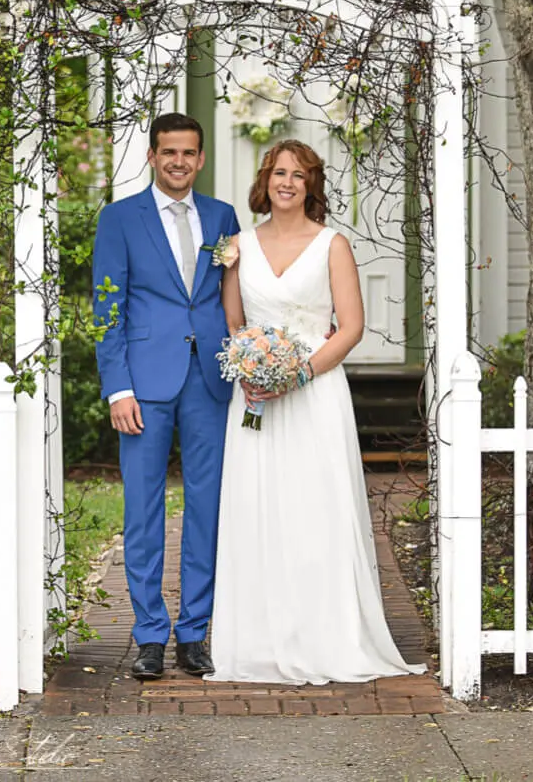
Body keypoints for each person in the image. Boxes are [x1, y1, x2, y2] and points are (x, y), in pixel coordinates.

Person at [207, 139, 425, 684]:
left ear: (311, 186)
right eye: (279, 172)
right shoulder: (236, 247)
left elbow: (350, 326)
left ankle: (326, 637)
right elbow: (235, 323)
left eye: (298, 175)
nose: (287, 182)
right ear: (266, 180)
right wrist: (253, 369)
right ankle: (258, 642)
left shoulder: (333, 245)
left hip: (315, 393)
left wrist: (298, 373)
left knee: (314, 511)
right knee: (257, 510)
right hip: (255, 398)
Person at [92, 111, 239, 680]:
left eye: (189, 153)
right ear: (153, 156)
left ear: (200, 159)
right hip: (144, 384)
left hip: (209, 379)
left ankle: (194, 632)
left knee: (207, 507)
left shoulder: (223, 217)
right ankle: (150, 633)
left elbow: (229, 296)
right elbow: (108, 309)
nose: (179, 162)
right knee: (143, 510)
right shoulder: (119, 219)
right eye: (168, 152)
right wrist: (117, 387)